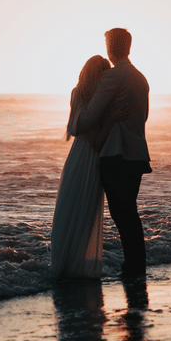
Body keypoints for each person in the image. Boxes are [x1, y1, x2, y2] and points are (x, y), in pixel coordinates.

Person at [76, 28, 152, 278]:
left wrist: (80, 113)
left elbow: (88, 117)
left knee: (122, 214)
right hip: (138, 154)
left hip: (116, 155)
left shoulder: (113, 77)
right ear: (128, 47)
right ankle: (135, 266)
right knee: (129, 212)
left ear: (110, 47)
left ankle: (133, 268)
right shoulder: (141, 78)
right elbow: (144, 117)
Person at [51, 55, 123, 279]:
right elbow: (85, 135)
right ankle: (72, 266)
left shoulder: (89, 95)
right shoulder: (86, 98)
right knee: (77, 211)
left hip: (83, 156)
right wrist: (109, 119)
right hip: (87, 158)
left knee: (76, 210)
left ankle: (69, 264)